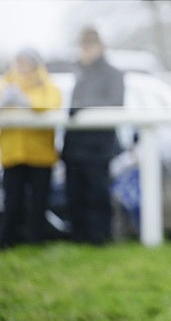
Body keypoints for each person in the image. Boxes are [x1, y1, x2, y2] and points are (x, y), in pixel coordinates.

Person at [61, 27, 125, 244]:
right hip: (75, 146)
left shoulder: (113, 74)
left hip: (98, 147)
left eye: (89, 46)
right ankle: (78, 238)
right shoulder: (79, 72)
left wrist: (84, 108)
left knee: (97, 195)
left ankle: (100, 239)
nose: (85, 51)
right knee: (75, 195)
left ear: (100, 46)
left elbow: (115, 104)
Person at [0, 48, 62, 247]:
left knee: (39, 202)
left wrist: (26, 101)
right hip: (13, 154)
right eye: (19, 63)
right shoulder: (5, 85)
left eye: (26, 63)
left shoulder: (47, 86)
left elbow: (50, 105)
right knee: (12, 201)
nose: (22, 68)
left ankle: (37, 241)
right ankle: (7, 240)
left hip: (41, 154)